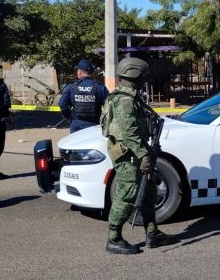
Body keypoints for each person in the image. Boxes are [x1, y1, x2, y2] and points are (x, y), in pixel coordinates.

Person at [101, 57, 178, 254]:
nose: (146, 78)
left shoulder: (132, 97)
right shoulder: (125, 100)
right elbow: (129, 133)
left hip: (138, 151)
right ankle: (114, 238)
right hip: (129, 155)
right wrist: (144, 154)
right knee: (128, 193)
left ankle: (152, 233)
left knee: (149, 191)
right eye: (144, 75)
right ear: (135, 74)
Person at [58, 59, 109, 133]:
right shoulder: (99, 87)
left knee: (75, 144)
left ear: (79, 72)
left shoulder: (71, 86)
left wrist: (70, 119)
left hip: (76, 124)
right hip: (94, 125)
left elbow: (62, 104)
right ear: (91, 73)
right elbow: (109, 104)